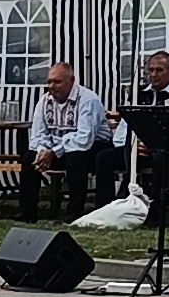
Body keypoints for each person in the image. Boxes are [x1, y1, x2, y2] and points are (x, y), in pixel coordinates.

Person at [18, 60, 118, 218]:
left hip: (94, 147)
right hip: (60, 149)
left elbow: (84, 139)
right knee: (29, 158)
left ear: (71, 81)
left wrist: (54, 152)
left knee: (76, 158)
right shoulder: (44, 101)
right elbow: (38, 134)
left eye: (57, 82)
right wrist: (43, 151)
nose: (52, 86)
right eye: (49, 82)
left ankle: (74, 212)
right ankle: (27, 211)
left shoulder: (88, 99)